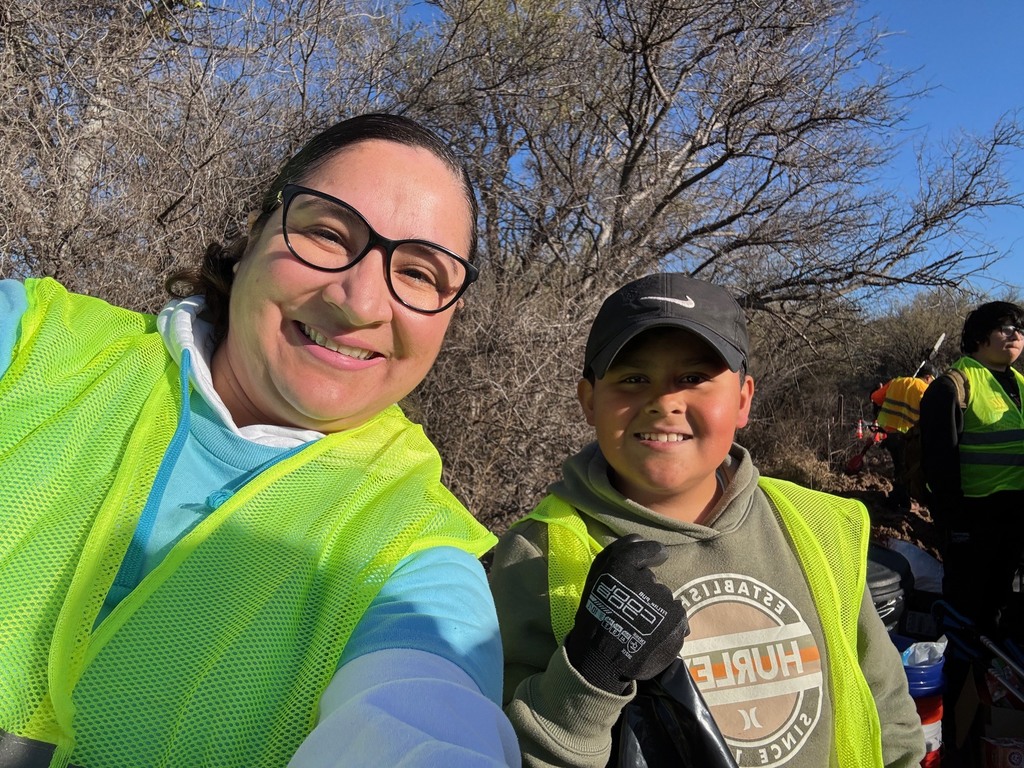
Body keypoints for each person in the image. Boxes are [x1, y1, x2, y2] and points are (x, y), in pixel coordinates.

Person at [0, 113, 520, 767]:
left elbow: (425, 723)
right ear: (253, 237)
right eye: (329, 233)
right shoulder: (32, 344)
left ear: (449, 318)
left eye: (419, 274)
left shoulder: (419, 557)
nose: (360, 302)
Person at [489, 273, 924, 768]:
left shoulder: (818, 524)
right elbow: (502, 750)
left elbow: (884, 706)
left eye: (693, 378)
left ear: (742, 399)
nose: (664, 402)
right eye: (633, 379)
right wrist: (589, 679)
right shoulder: (538, 553)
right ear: (589, 400)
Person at [919, 301, 1024, 638]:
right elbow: (938, 464)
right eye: (1005, 327)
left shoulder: (1021, 384)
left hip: (1016, 518)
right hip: (974, 521)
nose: (1016, 335)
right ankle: (960, 679)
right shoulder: (953, 386)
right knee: (967, 610)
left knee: (1003, 605)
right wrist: (956, 526)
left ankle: (993, 673)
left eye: (1020, 329)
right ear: (980, 336)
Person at [870, 364, 937, 509]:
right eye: (933, 379)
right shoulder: (926, 390)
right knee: (909, 468)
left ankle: (901, 497)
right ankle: (902, 498)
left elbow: (875, 397)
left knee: (900, 466)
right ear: (927, 377)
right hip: (910, 437)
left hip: (890, 434)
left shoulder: (896, 382)